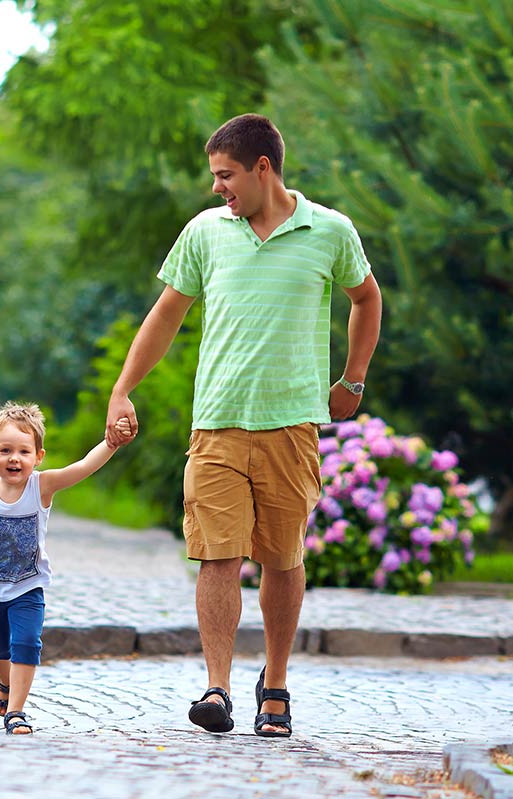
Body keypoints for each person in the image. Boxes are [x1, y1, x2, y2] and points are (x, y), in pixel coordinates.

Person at [105, 114, 382, 738]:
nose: (216, 188)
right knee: (216, 556)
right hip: (218, 423)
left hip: (291, 426)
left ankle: (275, 684)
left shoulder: (330, 231)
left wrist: (353, 377)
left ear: (263, 168)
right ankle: (218, 687)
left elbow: (367, 298)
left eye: (225, 175)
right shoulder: (207, 233)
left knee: (283, 560)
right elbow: (166, 315)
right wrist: (123, 389)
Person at [0, 402, 132, 734]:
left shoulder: (42, 486)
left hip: (28, 586)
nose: (14, 458)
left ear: (38, 456)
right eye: (5, 450)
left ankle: (15, 711)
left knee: (27, 643)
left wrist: (111, 444)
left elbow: (84, 466)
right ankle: (4, 683)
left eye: (23, 451)